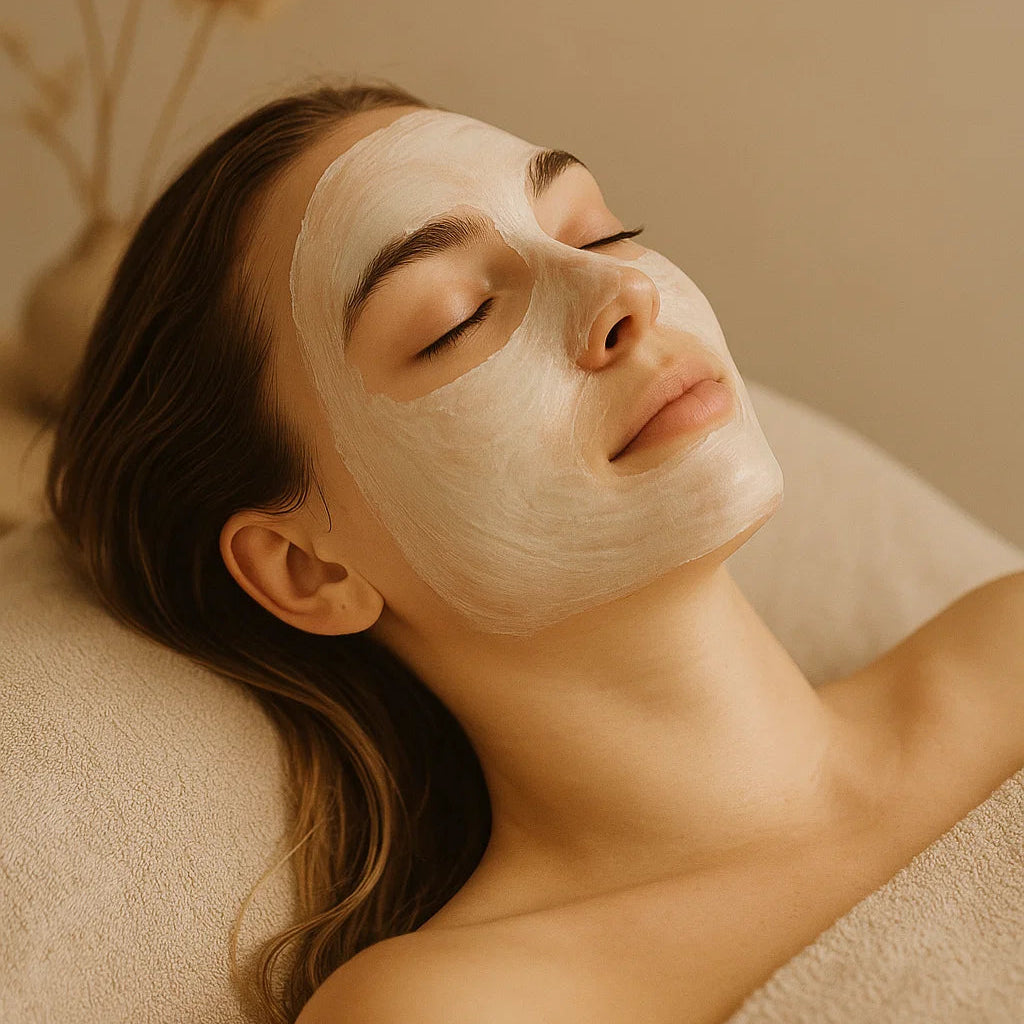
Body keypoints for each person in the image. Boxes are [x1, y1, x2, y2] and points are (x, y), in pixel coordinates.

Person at [45, 81, 1023, 1024]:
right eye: (455, 320)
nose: (620, 288)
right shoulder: (460, 1008)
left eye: (597, 228)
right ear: (311, 568)